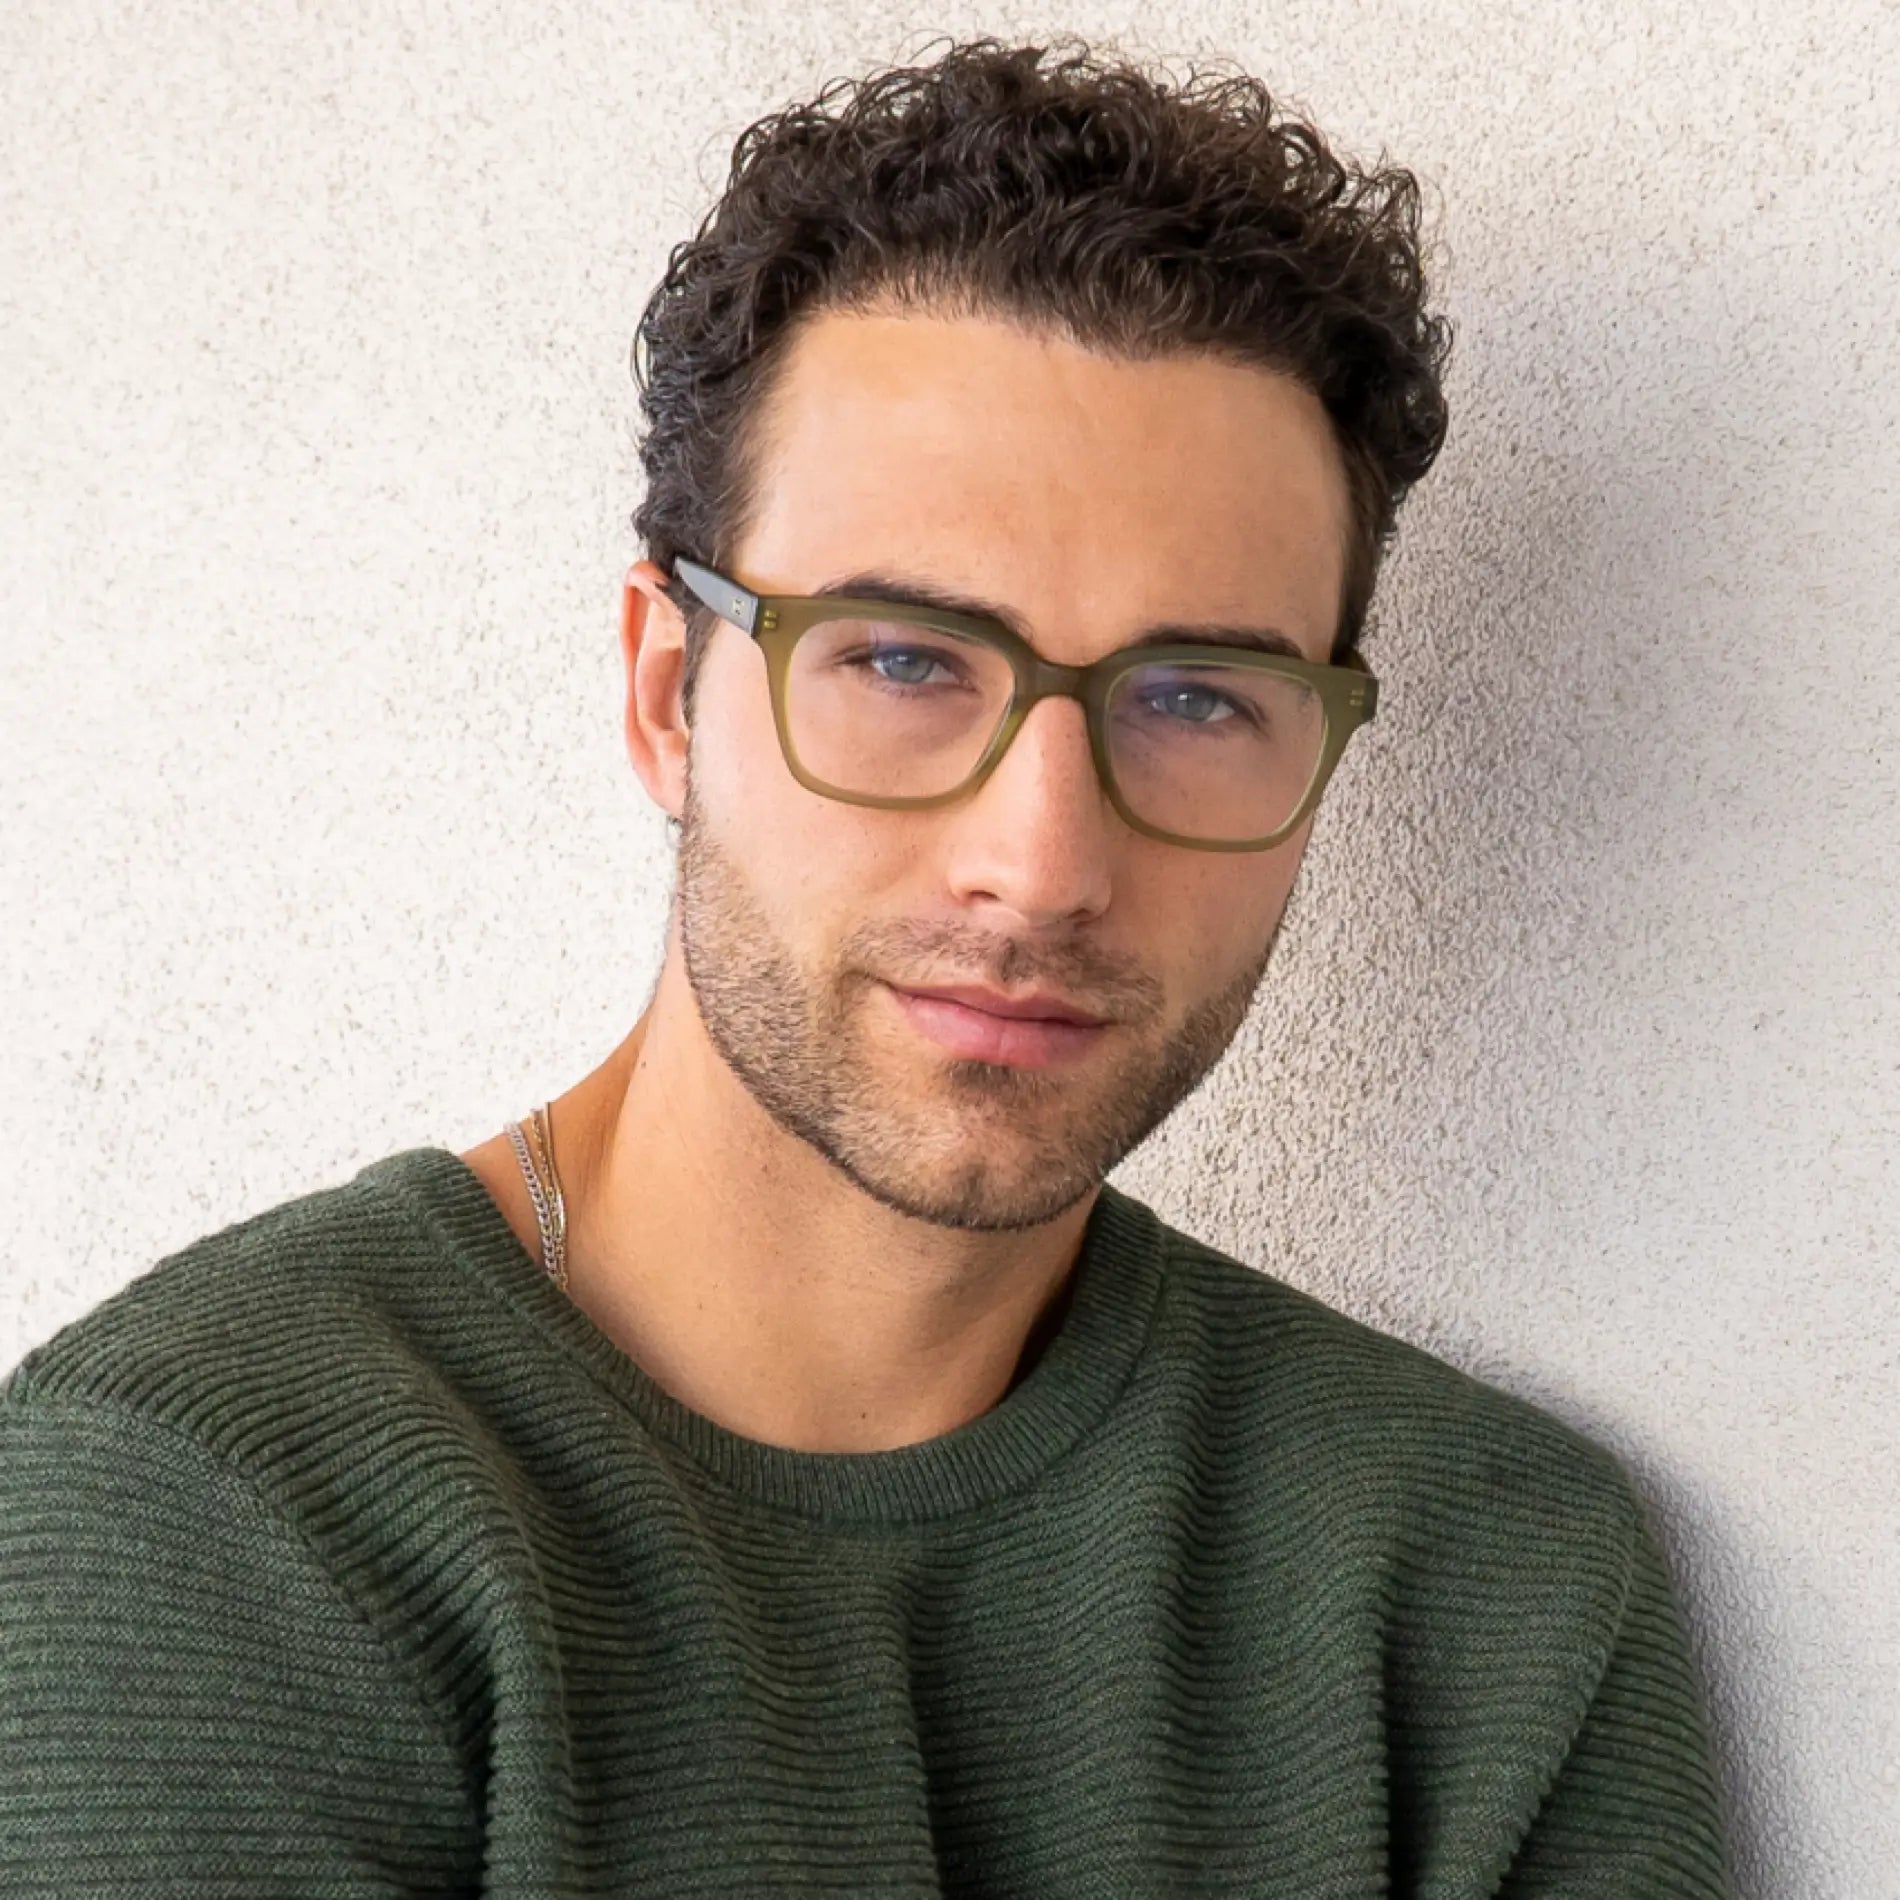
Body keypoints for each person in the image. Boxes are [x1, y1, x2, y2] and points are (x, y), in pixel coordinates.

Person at [0, 35, 1734, 1897]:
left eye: (1196, 699)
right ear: (672, 693)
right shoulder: (211, 1511)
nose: (1044, 861)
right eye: (906, 661)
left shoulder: (1475, 1579)